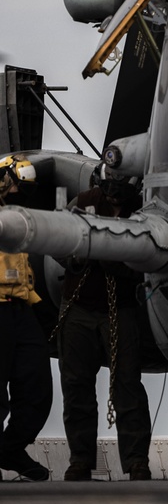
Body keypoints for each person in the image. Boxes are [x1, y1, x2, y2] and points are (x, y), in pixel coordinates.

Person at [57, 167, 152, 481]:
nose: (111, 195)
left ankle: (136, 460)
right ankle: (80, 460)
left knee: (127, 386)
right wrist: (79, 259)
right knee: (76, 387)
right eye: (107, 188)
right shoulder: (84, 202)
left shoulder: (142, 209)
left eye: (118, 189)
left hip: (121, 309)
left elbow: (147, 263)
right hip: (79, 308)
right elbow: (60, 242)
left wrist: (110, 259)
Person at [0, 155, 51, 482]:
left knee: (37, 388)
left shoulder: (18, 215)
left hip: (21, 308)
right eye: (16, 182)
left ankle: (9, 448)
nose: (19, 190)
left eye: (25, 187)